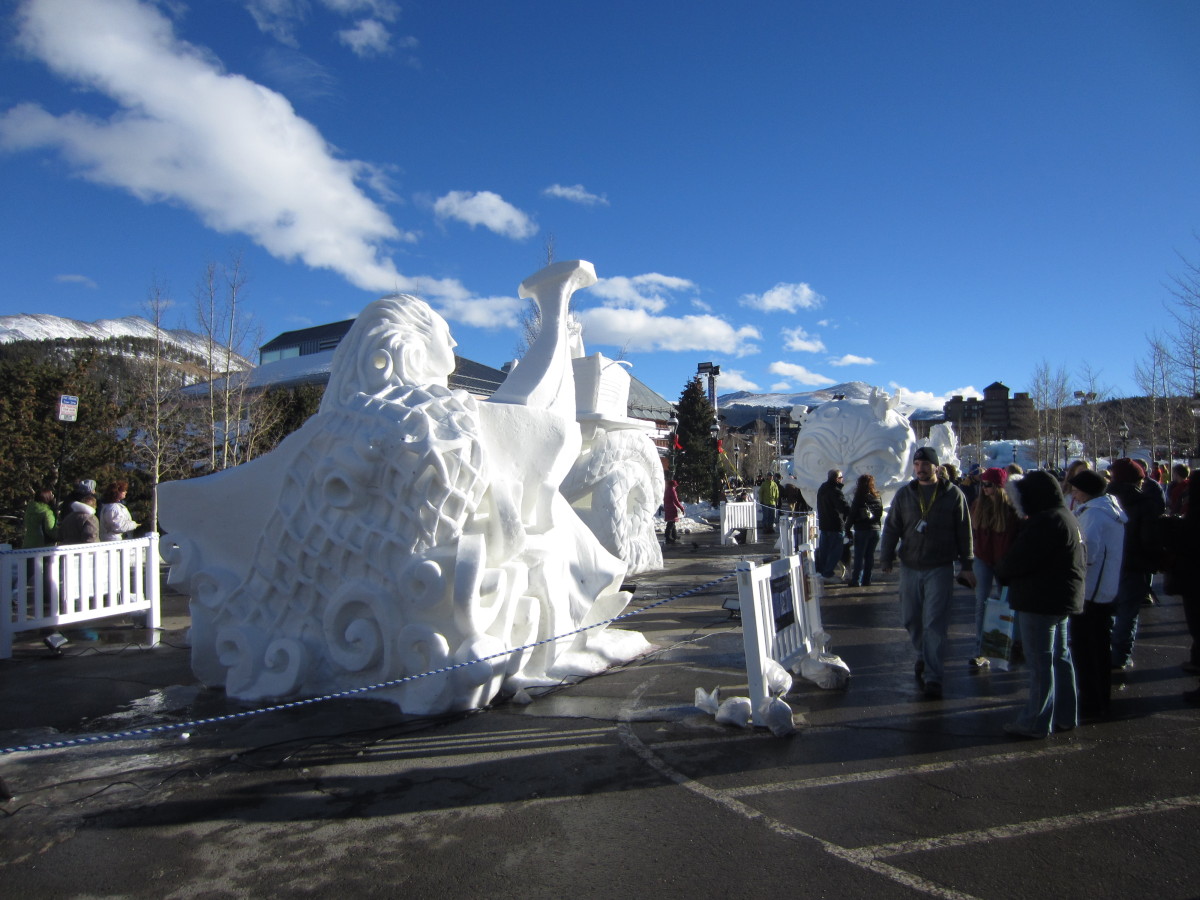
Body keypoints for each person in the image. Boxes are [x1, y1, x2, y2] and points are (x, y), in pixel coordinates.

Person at [995, 471, 1085, 738]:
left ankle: (1035, 721)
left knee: (1040, 664)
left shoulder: (1044, 522)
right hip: (1062, 599)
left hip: (1040, 600)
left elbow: (1017, 561)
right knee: (1060, 659)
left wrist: (1002, 568)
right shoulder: (1065, 516)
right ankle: (1066, 715)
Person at [881, 446, 976, 698]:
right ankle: (923, 653)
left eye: (925, 464)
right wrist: (887, 555)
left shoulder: (953, 494)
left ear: (936, 467)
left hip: (940, 566)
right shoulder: (905, 494)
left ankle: (934, 675)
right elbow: (892, 527)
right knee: (910, 618)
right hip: (910, 565)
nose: (920, 468)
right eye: (917, 464)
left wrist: (967, 564)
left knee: (935, 622)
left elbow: (964, 530)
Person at [1067, 468, 1127, 720]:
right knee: (1100, 649)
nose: (1074, 494)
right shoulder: (1110, 511)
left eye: (1077, 490)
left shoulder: (1094, 515)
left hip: (1090, 592)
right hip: (1105, 589)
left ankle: (1092, 702)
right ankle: (1100, 697)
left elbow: (1087, 554)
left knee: (1087, 652)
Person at [1107, 458, 1165, 669]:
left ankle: (1106, 650)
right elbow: (1150, 539)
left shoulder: (1104, 500)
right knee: (1128, 613)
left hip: (1109, 563)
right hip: (1134, 564)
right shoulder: (1144, 504)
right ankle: (1120, 655)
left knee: (1108, 611)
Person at [969, 467, 1021, 668]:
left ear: (999, 487)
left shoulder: (1011, 509)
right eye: (982, 484)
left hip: (1004, 561)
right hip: (982, 558)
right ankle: (981, 649)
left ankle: (1006, 645)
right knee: (981, 602)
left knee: (1005, 604)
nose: (984, 489)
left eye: (988, 485)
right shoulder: (977, 506)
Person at [846, 473, 883, 587]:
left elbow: (852, 514)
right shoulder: (877, 496)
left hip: (862, 529)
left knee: (859, 556)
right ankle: (867, 580)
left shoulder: (859, 497)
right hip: (875, 529)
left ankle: (856, 579)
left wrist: (847, 528)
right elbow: (880, 513)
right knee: (869, 556)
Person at [815, 469, 850, 582]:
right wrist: (852, 512)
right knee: (836, 551)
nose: (842, 480)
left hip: (824, 524)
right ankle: (828, 573)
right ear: (836, 479)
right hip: (835, 524)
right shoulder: (835, 490)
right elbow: (842, 507)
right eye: (841, 478)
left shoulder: (822, 488)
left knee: (824, 550)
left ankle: (821, 571)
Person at [663, 479, 686, 544]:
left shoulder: (667, 490)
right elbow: (676, 501)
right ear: (673, 485)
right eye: (675, 486)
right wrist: (681, 508)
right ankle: (668, 537)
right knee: (671, 523)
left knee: (672, 522)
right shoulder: (672, 490)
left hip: (667, 507)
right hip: (672, 508)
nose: (676, 487)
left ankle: (674, 535)